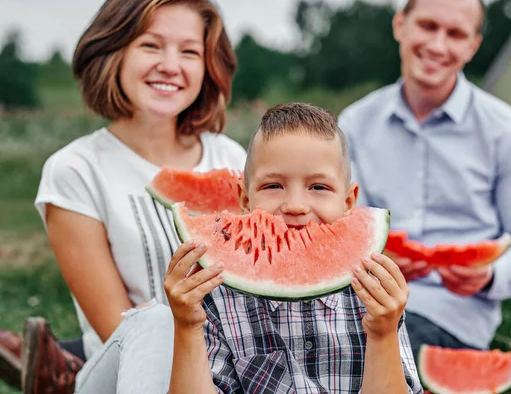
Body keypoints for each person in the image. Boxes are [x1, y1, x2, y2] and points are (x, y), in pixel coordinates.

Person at [70, 102, 423, 394]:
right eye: (273, 186)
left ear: (349, 202)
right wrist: (188, 326)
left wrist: (382, 333)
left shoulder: (376, 300)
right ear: (243, 198)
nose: (296, 205)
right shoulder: (216, 299)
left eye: (318, 187)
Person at [0, 0, 246, 392]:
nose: (170, 65)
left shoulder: (231, 157)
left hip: (229, 368)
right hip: (123, 373)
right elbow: (119, 326)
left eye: (189, 51)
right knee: (154, 322)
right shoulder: (76, 170)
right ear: (112, 52)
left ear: (207, 66)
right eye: (150, 45)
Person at [338, 0, 511, 359]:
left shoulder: (510, 133)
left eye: (455, 33)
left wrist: (489, 275)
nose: (438, 45)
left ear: (473, 46)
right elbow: (343, 229)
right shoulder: (353, 126)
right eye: (428, 26)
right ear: (399, 25)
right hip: (358, 302)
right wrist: (373, 255)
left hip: (453, 317)